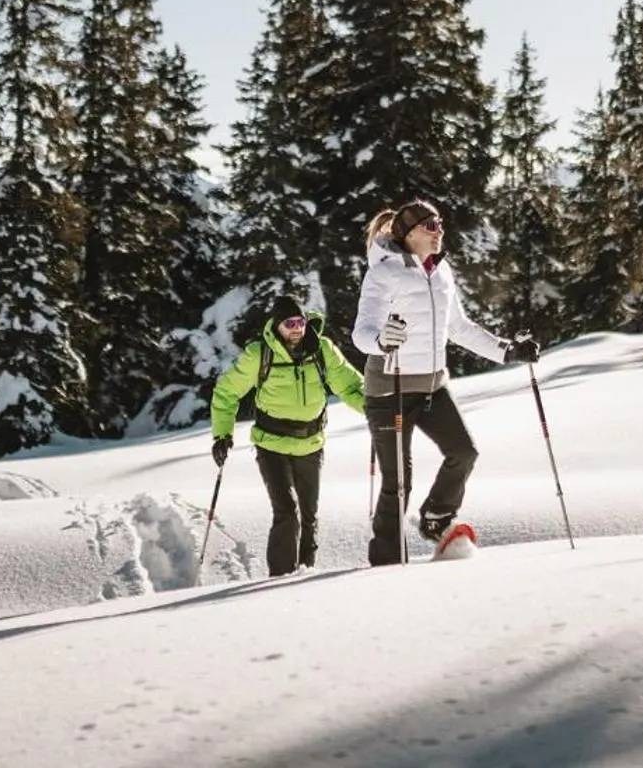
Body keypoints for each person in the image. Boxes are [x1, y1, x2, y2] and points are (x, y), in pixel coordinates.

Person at [353, 199, 540, 565]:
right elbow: (362, 333)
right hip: (389, 390)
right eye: (430, 226)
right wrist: (381, 341)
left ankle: (437, 517)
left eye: (440, 224)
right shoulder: (383, 274)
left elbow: (459, 328)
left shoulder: (442, 272)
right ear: (408, 234)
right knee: (398, 482)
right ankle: (385, 561)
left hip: (433, 387)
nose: (439, 231)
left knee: (464, 451)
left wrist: (508, 351)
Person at [208, 304, 368, 577]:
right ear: (277, 325)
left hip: (311, 443)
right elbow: (226, 392)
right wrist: (222, 435)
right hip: (271, 444)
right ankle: (280, 577)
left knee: (309, 515)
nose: (296, 329)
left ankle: (304, 574)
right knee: (287, 511)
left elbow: (351, 386)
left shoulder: (322, 350)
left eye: (300, 322)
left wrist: (376, 411)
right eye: (289, 323)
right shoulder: (260, 353)